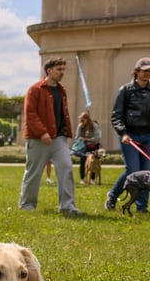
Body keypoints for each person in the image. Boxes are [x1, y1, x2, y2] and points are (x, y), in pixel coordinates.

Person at [19, 57, 80, 214]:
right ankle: (27, 205)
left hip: (59, 139)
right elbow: (30, 114)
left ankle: (68, 206)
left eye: (63, 69)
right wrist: (42, 132)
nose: (62, 72)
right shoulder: (35, 89)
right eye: (59, 69)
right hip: (38, 139)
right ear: (49, 70)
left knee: (66, 168)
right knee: (33, 173)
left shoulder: (61, 90)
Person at [105, 57, 150, 212]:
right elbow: (116, 116)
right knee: (134, 171)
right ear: (137, 72)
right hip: (130, 137)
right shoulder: (125, 90)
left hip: (148, 137)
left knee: (146, 174)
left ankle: (142, 208)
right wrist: (123, 133)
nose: (147, 73)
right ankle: (112, 196)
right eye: (145, 71)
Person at [74, 111, 100, 183]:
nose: (81, 122)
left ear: (87, 119)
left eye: (82, 120)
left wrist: (87, 139)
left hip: (93, 146)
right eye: (80, 120)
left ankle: (92, 179)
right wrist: (80, 139)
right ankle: (82, 179)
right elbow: (77, 137)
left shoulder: (94, 126)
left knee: (93, 163)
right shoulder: (80, 126)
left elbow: (97, 138)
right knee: (83, 162)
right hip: (84, 147)